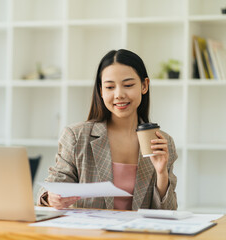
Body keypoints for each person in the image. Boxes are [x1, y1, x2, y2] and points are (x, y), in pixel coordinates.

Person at [37, 49, 178, 210]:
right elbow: (51, 188)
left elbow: (169, 213)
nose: (119, 94)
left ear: (144, 85)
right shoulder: (77, 136)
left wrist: (161, 173)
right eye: (110, 87)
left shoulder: (161, 142)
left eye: (128, 85)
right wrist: (51, 197)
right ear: (101, 91)